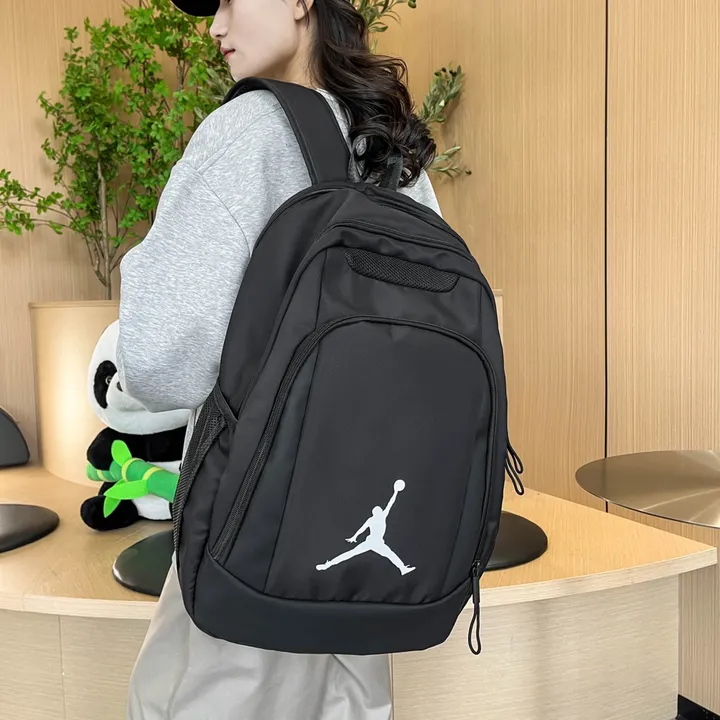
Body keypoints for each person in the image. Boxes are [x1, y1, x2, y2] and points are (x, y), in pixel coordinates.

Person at [116, 0, 442, 717]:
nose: (214, 26)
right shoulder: (391, 147)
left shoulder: (246, 133)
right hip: (366, 554)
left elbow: (157, 359)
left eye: (228, 0)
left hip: (252, 544)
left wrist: (148, 264)